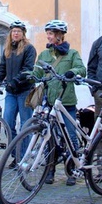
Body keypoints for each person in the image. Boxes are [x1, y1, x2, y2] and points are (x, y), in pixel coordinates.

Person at [31, 20, 86, 186]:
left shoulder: (72, 53)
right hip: (49, 103)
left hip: (66, 102)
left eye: (51, 34)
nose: (48, 36)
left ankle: (72, 171)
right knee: (50, 138)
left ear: (60, 36)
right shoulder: (44, 55)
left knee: (70, 137)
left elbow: (81, 69)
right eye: (47, 33)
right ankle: (50, 171)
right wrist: (28, 75)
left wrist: (73, 72)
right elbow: (37, 70)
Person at [0, 20, 37, 167]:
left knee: (25, 125)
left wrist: (16, 81)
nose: (16, 33)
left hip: (25, 91)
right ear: (10, 33)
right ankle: (15, 154)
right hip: (11, 92)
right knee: (7, 122)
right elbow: (2, 68)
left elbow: (28, 69)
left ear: (23, 34)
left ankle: (23, 157)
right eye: (13, 31)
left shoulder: (29, 49)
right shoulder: (7, 49)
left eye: (18, 31)